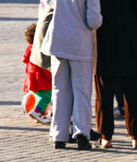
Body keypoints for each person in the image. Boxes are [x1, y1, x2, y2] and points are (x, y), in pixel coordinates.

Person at [41, 0, 102, 150]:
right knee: (81, 91)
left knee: (59, 90)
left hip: (57, 40)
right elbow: (93, 20)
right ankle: (81, 133)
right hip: (79, 43)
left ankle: (58, 134)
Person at [94, 0, 137, 149]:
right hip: (132, 40)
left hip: (104, 41)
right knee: (133, 94)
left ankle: (106, 138)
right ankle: (136, 137)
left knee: (104, 94)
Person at [22, 24, 52, 125]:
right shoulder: (39, 50)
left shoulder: (29, 49)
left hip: (33, 79)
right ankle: (37, 112)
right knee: (46, 97)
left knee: (40, 96)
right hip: (42, 79)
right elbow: (45, 67)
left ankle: (41, 114)